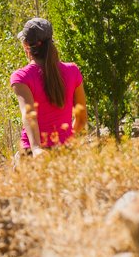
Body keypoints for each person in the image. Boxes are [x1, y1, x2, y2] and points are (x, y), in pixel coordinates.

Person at [10, 17, 87, 155]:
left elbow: (28, 114)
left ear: (26, 45)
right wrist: (66, 140)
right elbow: (81, 119)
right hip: (65, 153)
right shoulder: (72, 71)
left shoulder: (22, 77)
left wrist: (36, 148)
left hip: (32, 155)